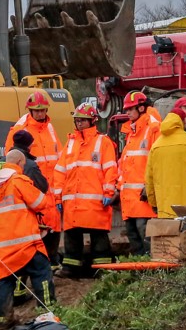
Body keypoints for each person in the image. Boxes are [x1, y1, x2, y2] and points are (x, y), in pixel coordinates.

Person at [0, 149, 54, 329]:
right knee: (42, 272)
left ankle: (3, 321)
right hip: (26, 244)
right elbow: (41, 203)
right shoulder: (18, 182)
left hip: (1, 250)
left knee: (4, 281)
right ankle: (48, 312)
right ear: (21, 163)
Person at [53, 103, 117, 278]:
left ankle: (103, 269)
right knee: (72, 236)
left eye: (83, 120)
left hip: (94, 202)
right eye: (77, 120)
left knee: (99, 236)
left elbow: (110, 169)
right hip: (72, 202)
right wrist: (58, 198)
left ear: (92, 121)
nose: (79, 123)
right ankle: (70, 268)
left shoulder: (102, 142)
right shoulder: (71, 143)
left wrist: (108, 193)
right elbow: (59, 172)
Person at [4, 91, 63, 261]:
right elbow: (12, 160)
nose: (40, 114)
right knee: (35, 228)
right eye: (37, 110)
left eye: (43, 110)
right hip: (32, 187)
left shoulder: (49, 128)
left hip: (50, 188)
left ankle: (52, 262)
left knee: (52, 225)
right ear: (29, 110)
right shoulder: (20, 129)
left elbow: (58, 156)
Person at [117, 91, 161, 255]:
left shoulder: (152, 129)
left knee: (147, 238)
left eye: (130, 109)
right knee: (134, 238)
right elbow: (126, 162)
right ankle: (140, 272)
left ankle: (152, 276)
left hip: (143, 198)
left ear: (141, 108)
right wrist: (119, 186)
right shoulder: (132, 132)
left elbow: (157, 162)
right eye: (126, 109)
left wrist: (150, 187)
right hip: (130, 198)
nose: (127, 112)